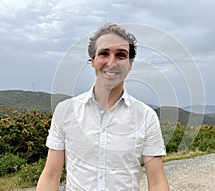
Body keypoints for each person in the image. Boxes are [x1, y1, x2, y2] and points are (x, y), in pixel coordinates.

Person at [36, 23, 169, 191]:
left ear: (130, 64)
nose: (111, 63)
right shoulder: (65, 111)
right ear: (93, 60)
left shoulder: (146, 116)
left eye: (120, 55)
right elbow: (51, 175)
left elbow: (157, 181)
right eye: (104, 54)